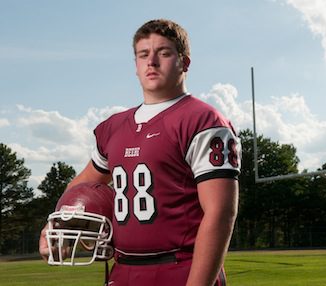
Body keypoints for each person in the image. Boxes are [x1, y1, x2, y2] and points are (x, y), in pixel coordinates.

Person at [39, 18, 241, 286]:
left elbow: (221, 212)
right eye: (143, 54)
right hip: (123, 270)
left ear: (185, 62)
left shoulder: (203, 121)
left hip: (181, 267)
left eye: (164, 53)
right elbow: (83, 184)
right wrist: (53, 225)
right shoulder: (114, 127)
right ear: (135, 65)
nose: (152, 62)